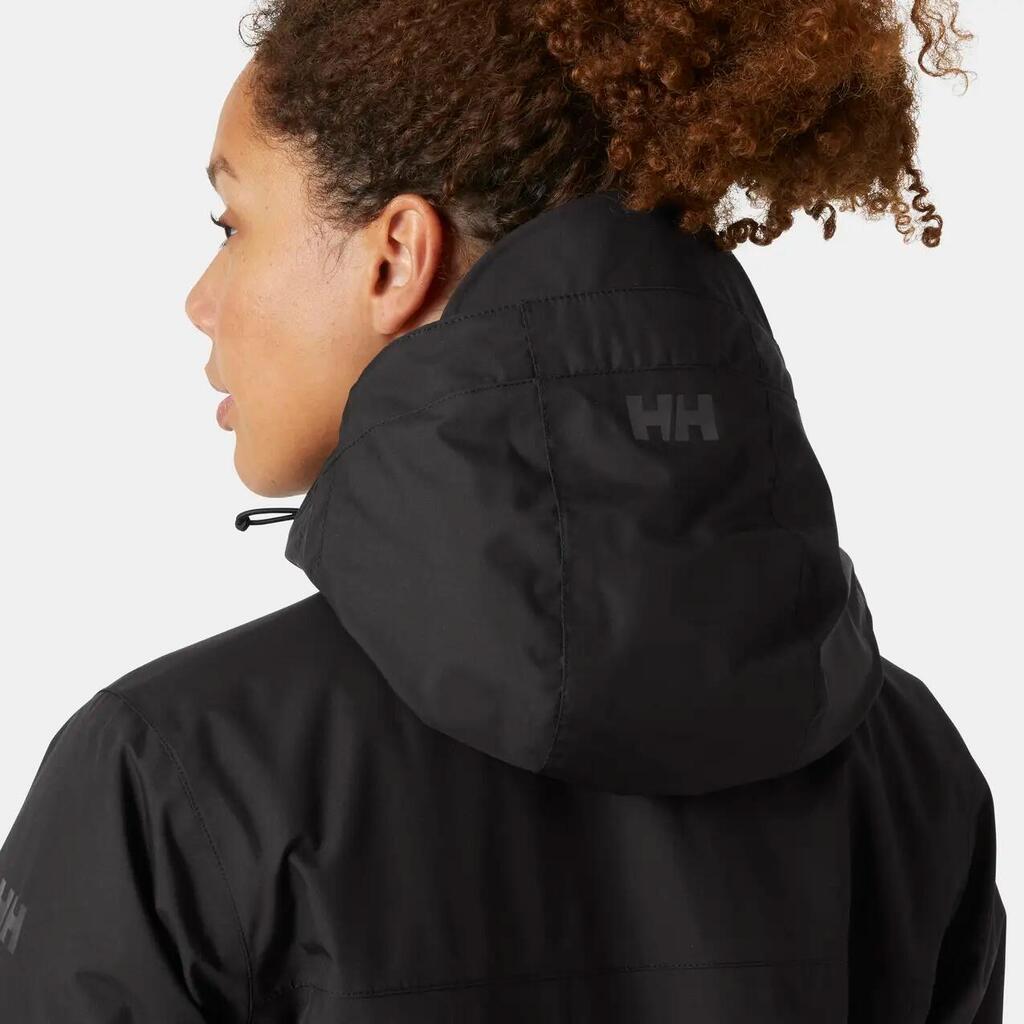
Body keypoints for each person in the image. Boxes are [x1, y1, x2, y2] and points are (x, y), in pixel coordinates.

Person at [0, 1, 1005, 1020]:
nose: (199, 301)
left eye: (231, 226)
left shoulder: (173, 776)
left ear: (397, 255)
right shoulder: (909, 769)